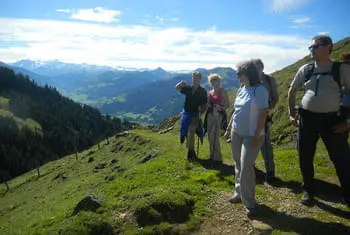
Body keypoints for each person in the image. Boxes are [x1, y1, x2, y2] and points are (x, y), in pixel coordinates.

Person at [288, 34, 350, 207]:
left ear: (328, 47)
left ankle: (348, 194)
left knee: (342, 158)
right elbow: (292, 91)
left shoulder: (341, 69)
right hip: (307, 119)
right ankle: (308, 190)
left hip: (334, 120)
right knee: (305, 156)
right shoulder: (305, 69)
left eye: (315, 46)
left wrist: (348, 122)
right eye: (310, 47)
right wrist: (291, 114)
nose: (312, 50)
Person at [225, 60, 269, 217]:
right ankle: (238, 192)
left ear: (248, 73)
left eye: (239, 73)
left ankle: (249, 202)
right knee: (238, 164)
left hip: (252, 134)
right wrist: (230, 128)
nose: (237, 76)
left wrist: (257, 136)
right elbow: (237, 111)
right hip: (236, 132)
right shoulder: (241, 89)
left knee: (246, 167)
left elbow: (263, 113)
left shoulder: (260, 90)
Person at [253, 59, 279, 183]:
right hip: (251, 117)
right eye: (254, 67)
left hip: (264, 116)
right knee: (250, 142)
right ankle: (250, 167)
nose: (256, 69)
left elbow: (275, 98)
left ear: (262, 67)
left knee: (266, 145)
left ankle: (270, 171)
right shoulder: (249, 80)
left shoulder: (269, 80)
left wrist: (267, 110)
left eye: (258, 67)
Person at [176, 71, 208, 162]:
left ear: (200, 79)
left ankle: (190, 153)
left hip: (195, 115)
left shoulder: (202, 91)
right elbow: (177, 88)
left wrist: (201, 112)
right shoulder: (188, 88)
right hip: (186, 113)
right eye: (193, 78)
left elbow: (205, 104)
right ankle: (191, 152)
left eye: (197, 78)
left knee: (190, 132)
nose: (195, 80)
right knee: (186, 132)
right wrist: (181, 83)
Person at [204, 74, 229, 164]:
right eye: (213, 80)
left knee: (215, 136)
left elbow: (227, 105)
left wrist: (221, 107)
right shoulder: (210, 92)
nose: (215, 82)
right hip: (210, 115)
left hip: (219, 115)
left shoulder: (223, 92)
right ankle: (212, 155)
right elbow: (207, 104)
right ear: (211, 82)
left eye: (217, 80)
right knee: (210, 136)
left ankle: (217, 158)